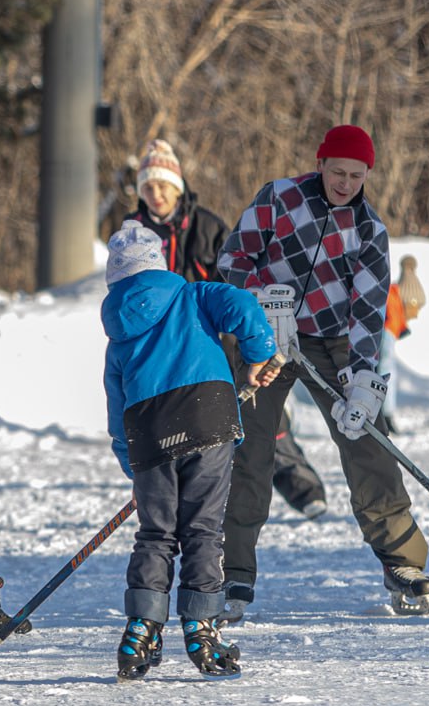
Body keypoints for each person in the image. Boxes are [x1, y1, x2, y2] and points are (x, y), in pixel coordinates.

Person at [217, 124, 429, 621]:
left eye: (355, 175)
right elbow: (232, 259)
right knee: (249, 443)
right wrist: (262, 307)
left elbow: (368, 311)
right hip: (265, 334)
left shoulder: (369, 231)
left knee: (368, 438)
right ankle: (231, 569)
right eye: (336, 171)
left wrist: (360, 379)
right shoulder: (279, 198)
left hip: (333, 338)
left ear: (366, 174)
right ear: (319, 164)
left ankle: (402, 561)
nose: (344, 182)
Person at [101, 219, 280, 680]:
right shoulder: (193, 294)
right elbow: (241, 302)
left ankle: (142, 625)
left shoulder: (118, 333)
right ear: (159, 265)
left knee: (156, 534)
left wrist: (134, 469)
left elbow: (116, 406)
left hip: (150, 433)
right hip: (208, 416)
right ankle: (201, 624)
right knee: (202, 528)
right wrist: (259, 351)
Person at [126, 139, 328, 519]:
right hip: (162, 347)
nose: (156, 195)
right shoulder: (134, 234)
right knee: (175, 425)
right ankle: (182, 496)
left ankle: (300, 485)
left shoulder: (207, 226)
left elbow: (233, 280)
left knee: (258, 412)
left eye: (163, 186)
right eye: (148, 187)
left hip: (216, 338)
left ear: (177, 187)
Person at [377, 254, 427, 434]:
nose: (416, 315)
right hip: (382, 409)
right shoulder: (391, 318)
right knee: (387, 369)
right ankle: (385, 416)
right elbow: (385, 370)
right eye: (416, 309)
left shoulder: (389, 299)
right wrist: (387, 412)